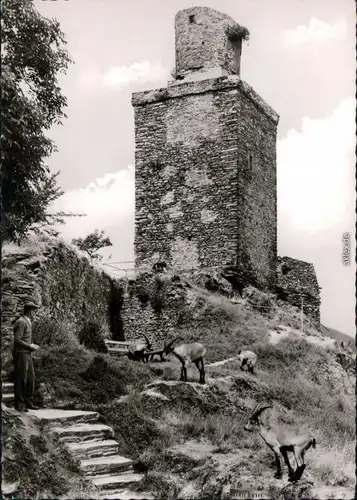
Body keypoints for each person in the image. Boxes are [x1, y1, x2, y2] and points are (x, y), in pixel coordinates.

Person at [13, 302, 40, 412]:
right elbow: (17, 339)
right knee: (21, 378)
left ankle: (28, 401)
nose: (35, 313)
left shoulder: (28, 322)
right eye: (34, 310)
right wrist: (30, 346)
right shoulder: (21, 322)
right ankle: (19, 403)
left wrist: (31, 346)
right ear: (29, 310)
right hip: (21, 353)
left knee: (30, 378)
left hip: (27, 353)